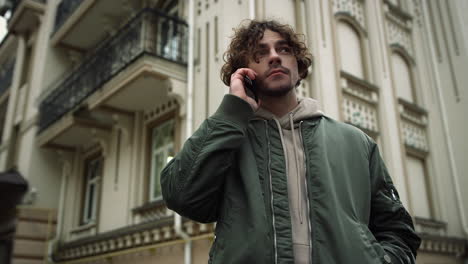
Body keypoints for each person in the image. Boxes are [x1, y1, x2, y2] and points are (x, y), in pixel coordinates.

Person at [161, 20, 421, 264]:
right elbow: (182, 196)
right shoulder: (226, 138)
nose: (274, 56)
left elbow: (397, 229)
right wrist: (232, 111)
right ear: (244, 72)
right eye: (260, 52)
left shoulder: (356, 142)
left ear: (299, 68)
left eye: (283, 49)